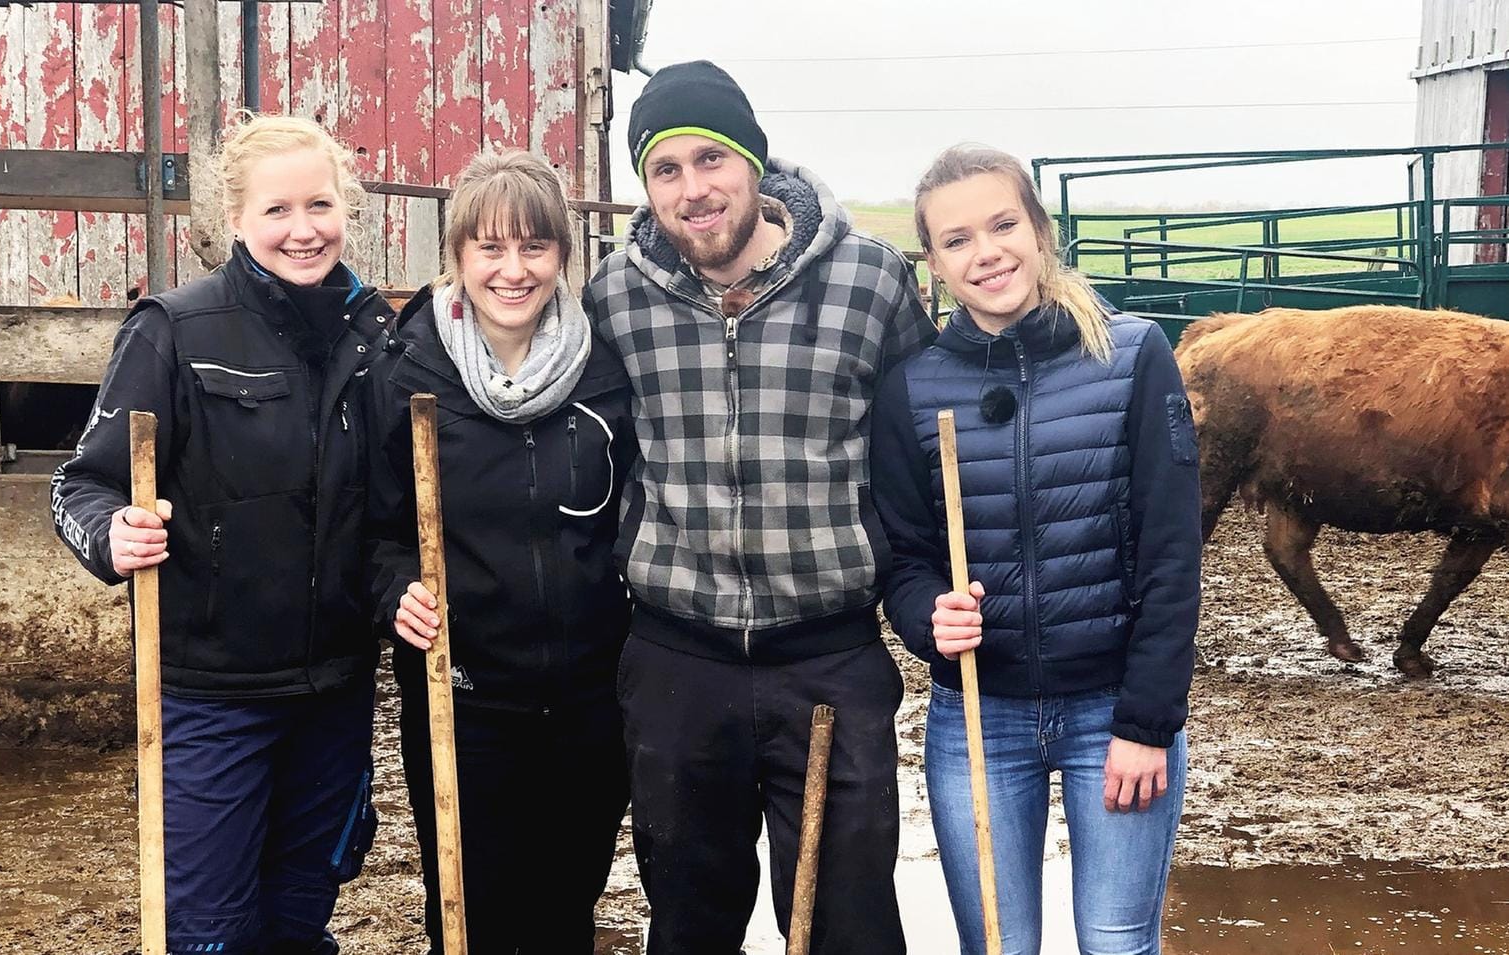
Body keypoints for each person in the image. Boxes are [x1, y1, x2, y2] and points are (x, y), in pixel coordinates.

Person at [584, 60, 931, 953]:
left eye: (711, 160)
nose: (693, 190)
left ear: (753, 162)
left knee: (844, 922)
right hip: (675, 662)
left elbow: (922, 449)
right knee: (689, 921)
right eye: (665, 169)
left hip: (827, 658)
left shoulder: (871, 282)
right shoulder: (614, 299)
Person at [50, 114, 392, 955]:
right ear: (235, 220)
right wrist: (111, 534)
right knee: (208, 931)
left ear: (345, 206)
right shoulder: (175, 328)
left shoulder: (376, 334)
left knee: (298, 918)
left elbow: (393, 509)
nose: (302, 229)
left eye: (319, 204)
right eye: (277, 210)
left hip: (334, 692)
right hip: (209, 694)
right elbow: (80, 482)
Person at [871, 143, 1201, 955]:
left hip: (1111, 712)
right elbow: (903, 558)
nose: (985, 252)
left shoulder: (1131, 357)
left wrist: (1147, 722)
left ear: (1040, 228)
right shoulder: (911, 388)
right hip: (979, 714)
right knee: (997, 948)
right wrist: (927, 619)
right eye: (956, 240)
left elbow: (1171, 553)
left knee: (1116, 944)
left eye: (1001, 224)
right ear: (935, 263)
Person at [365, 147, 635, 955]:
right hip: (465, 694)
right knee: (471, 904)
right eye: (490, 247)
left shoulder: (605, 373)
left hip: (590, 695)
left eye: (534, 246)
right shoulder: (406, 374)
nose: (512, 270)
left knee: (567, 899)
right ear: (457, 257)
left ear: (562, 254)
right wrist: (393, 591)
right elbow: (372, 529)